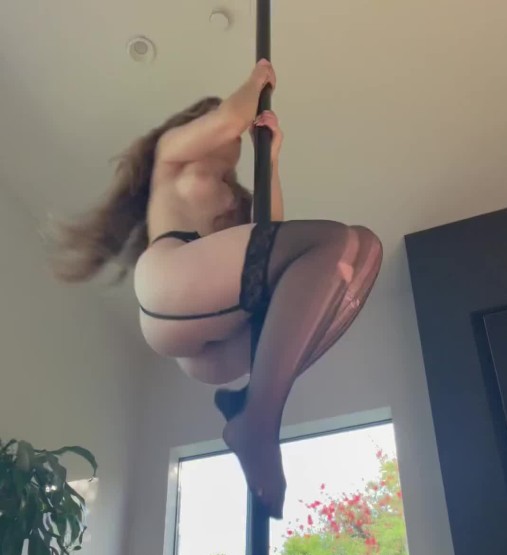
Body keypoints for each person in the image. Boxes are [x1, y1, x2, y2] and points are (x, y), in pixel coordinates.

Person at [53, 60, 383, 519]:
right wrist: (257, 80)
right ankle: (258, 421)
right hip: (169, 284)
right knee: (333, 240)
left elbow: (271, 239)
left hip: (215, 345)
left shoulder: (231, 197)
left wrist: (272, 160)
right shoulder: (172, 155)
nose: (234, 137)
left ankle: (251, 405)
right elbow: (229, 117)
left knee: (361, 250)